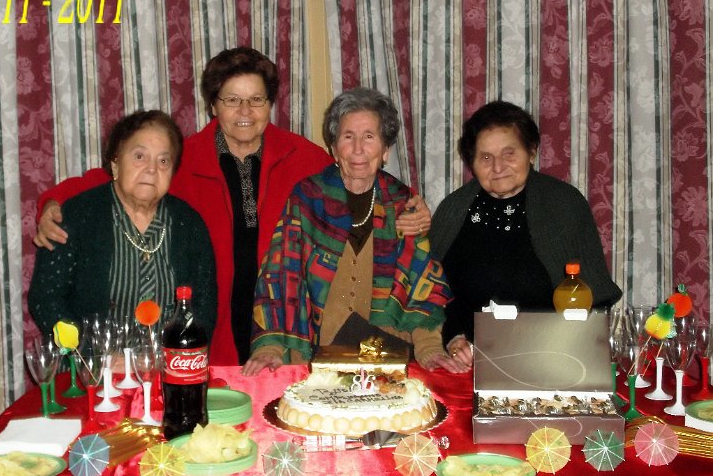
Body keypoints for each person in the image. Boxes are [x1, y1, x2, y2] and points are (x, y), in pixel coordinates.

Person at [33, 47, 431, 365]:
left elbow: (361, 174)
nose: (245, 112)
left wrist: (413, 206)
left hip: (282, 319)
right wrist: (52, 203)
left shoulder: (302, 156)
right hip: (216, 319)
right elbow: (120, 178)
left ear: (270, 104)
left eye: (256, 99)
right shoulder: (184, 156)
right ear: (213, 105)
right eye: (232, 100)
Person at [242, 88, 452, 376]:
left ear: (386, 150)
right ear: (333, 148)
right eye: (348, 136)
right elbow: (279, 277)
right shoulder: (308, 198)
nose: (358, 149)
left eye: (369, 137)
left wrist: (430, 348)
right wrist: (270, 347)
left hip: (386, 362)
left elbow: (421, 288)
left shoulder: (403, 205)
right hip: (316, 361)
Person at [429, 100, 623, 373]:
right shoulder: (454, 210)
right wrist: (454, 338)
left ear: (531, 151)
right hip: (472, 364)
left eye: (509, 154)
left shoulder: (563, 204)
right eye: (486, 157)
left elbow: (595, 299)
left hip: (555, 362)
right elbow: (435, 295)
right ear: (472, 162)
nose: (498, 167)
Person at [27, 110, 217, 338]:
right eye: (139, 156)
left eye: (163, 161)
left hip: (172, 359)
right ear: (115, 163)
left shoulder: (190, 224)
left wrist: (179, 351)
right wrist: (90, 351)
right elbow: (46, 300)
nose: (151, 169)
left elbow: (205, 307)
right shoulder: (77, 216)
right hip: (93, 359)